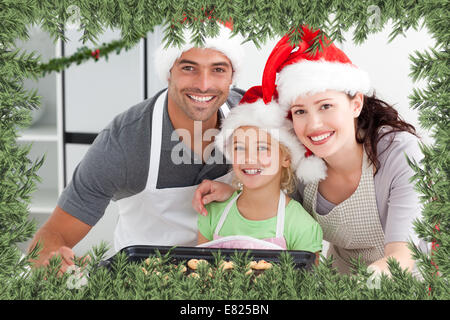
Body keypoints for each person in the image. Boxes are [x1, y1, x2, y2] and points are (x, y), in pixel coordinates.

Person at [193, 26, 428, 277]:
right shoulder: (301, 159)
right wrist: (234, 192)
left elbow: (402, 256)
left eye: (325, 106)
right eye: (300, 111)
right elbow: (275, 202)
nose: (314, 125)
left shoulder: (400, 153)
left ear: (356, 103)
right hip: (339, 279)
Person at [28, 23, 246, 273]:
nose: (204, 84)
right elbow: (52, 234)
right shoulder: (125, 141)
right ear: (169, 72)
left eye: (218, 69)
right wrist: (50, 258)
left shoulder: (252, 117)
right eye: (188, 67)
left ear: (232, 77)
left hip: (232, 275)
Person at [196, 86, 326, 264]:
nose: (249, 158)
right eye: (239, 148)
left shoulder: (302, 227)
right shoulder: (212, 214)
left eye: (262, 148)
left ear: (286, 158)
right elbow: (198, 276)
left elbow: (306, 289)